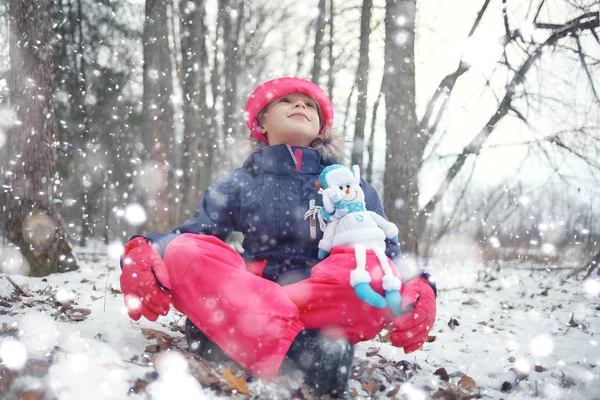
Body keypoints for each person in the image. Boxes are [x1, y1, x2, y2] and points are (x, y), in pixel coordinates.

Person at [120, 77, 437, 397]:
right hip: (256, 289)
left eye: (310, 104)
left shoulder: (350, 187)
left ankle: (237, 336)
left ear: (322, 127)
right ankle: (312, 350)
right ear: (262, 122)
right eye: (286, 101)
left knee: (373, 270)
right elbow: (194, 235)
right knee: (182, 252)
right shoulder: (240, 182)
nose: (300, 105)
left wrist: (420, 285)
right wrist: (146, 249)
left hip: (323, 296)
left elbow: (385, 251)